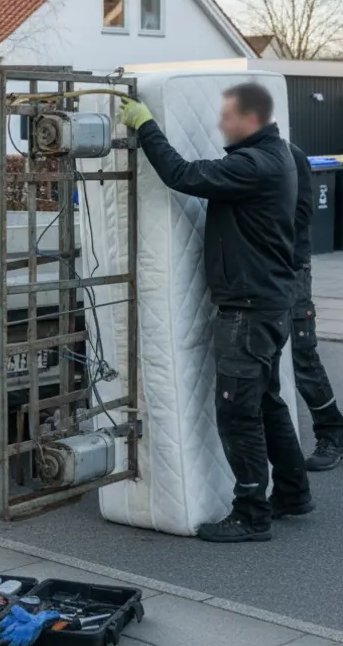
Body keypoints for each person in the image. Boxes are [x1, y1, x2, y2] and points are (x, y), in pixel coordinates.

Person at [119, 83, 312, 543]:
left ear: (250, 119)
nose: (220, 125)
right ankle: (293, 492)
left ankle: (251, 514)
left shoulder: (253, 164)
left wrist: (145, 124)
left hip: (248, 308)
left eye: (227, 116)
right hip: (268, 301)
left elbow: (181, 175)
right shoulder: (279, 155)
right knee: (266, 400)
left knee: (237, 412)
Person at [287, 144, 343, 471]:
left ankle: (332, 436)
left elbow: (300, 214)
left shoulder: (291, 155)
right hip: (265, 271)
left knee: (302, 355)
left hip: (291, 269)